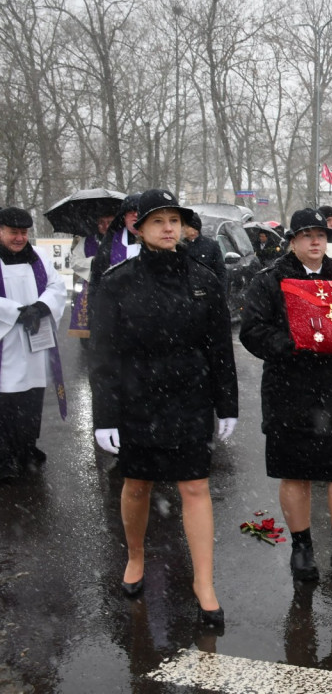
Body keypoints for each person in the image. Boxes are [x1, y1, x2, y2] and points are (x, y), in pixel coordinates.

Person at [91, 189, 238, 629]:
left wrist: (226, 403)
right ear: (139, 228)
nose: (169, 228)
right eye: (159, 221)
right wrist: (105, 416)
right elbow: (104, 353)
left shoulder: (203, 279)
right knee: (137, 485)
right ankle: (135, 557)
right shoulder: (116, 281)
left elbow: (219, 349)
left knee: (194, 488)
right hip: (137, 397)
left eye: (174, 220)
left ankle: (204, 583)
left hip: (189, 398)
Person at [240, 208, 332, 585]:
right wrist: (293, 345)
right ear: (293, 240)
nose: (316, 241)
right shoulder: (270, 280)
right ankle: (302, 549)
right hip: (290, 391)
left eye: (320, 234)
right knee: (295, 474)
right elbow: (252, 331)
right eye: (306, 235)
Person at [0, 207, 67, 480]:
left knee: (30, 400)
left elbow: (57, 287)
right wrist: (16, 312)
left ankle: (26, 448)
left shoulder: (38, 257)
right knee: (5, 401)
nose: (19, 238)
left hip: (33, 341)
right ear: (0, 230)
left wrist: (40, 307)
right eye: (13, 232)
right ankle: (4, 457)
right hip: (5, 342)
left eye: (24, 232)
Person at [68, 210, 116, 338]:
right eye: (101, 222)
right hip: (94, 288)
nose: (106, 226)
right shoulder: (87, 241)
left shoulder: (123, 240)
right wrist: (94, 262)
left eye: (109, 222)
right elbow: (74, 262)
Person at [181, 212, 227, 292]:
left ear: (195, 229)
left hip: (207, 294)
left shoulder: (211, 245)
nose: (182, 229)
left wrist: (220, 294)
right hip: (185, 295)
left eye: (186, 226)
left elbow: (220, 272)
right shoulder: (179, 246)